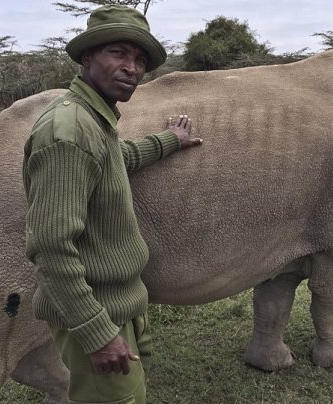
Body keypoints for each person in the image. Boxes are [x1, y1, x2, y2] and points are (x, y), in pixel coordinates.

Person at [22, 5, 202, 403]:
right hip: (97, 313)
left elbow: (118, 159)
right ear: (88, 57)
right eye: (118, 53)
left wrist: (170, 140)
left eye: (139, 60)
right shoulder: (68, 131)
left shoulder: (93, 119)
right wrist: (98, 334)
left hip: (113, 305)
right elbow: (50, 247)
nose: (132, 68)